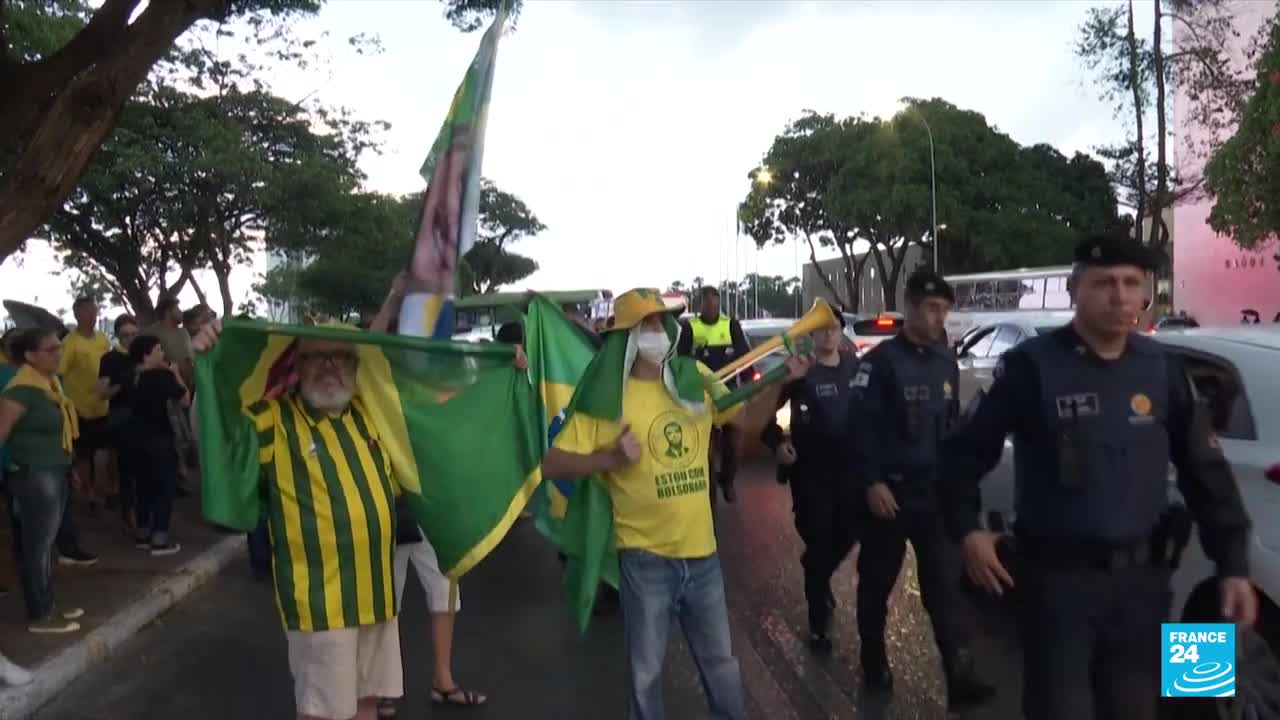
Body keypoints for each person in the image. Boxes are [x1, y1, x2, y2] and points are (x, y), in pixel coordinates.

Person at [940, 236, 1257, 720]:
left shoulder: (1163, 367)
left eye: (1133, 283)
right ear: (1074, 289)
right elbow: (962, 454)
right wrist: (967, 528)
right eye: (1105, 283)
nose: (1121, 296)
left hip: (1147, 585)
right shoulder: (1031, 366)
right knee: (1060, 709)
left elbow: (1205, 472)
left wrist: (1233, 565)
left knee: (1144, 707)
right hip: (1057, 586)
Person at [543, 288, 808, 720]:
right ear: (624, 337)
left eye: (660, 323)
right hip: (645, 562)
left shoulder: (694, 376)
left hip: (702, 558)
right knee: (645, 675)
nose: (657, 332)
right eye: (646, 325)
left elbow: (746, 422)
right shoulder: (606, 397)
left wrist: (780, 380)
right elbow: (552, 464)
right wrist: (609, 457)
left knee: (722, 668)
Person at [195, 320, 404, 720]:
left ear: (356, 365)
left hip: (377, 593)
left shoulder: (372, 416)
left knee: (368, 701)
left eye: (340, 356)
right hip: (321, 603)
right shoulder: (275, 419)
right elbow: (225, 432)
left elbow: (443, 403)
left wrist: (509, 370)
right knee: (323, 711)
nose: (329, 366)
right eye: (315, 357)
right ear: (297, 364)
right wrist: (210, 365)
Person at [849, 271, 995, 711]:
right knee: (876, 586)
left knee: (945, 589)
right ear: (911, 306)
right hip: (889, 499)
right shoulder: (878, 364)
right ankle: (874, 661)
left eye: (944, 310)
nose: (939, 318)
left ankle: (960, 673)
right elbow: (859, 430)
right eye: (932, 308)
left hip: (933, 497)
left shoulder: (944, 362)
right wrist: (871, 481)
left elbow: (949, 428)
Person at [367, 275, 488, 716]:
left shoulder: (444, 374)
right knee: (384, 604)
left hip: (432, 508)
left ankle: (443, 680)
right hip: (387, 507)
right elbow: (365, 349)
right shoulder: (379, 374)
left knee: (444, 595)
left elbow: (481, 400)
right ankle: (382, 689)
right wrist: (393, 296)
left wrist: (514, 361)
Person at [760, 313, 860, 650]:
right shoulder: (799, 373)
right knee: (819, 542)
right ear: (812, 335)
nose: (828, 335)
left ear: (841, 333)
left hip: (849, 472)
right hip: (810, 473)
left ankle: (817, 571)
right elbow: (764, 418)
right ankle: (819, 625)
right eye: (821, 329)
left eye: (833, 329)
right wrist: (778, 444)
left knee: (847, 534)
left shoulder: (855, 368)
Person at [0, 328, 87, 633]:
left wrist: (69, 465)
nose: (58, 353)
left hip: (55, 468)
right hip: (34, 473)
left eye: (59, 347)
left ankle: (46, 605)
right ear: (30, 356)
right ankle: (41, 614)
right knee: (36, 545)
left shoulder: (49, 385)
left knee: (44, 544)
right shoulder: (19, 391)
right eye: (51, 350)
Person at [676, 286, 751, 503]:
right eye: (707, 303)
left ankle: (727, 480)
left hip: (730, 394)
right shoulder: (689, 327)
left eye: (715, 303)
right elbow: (680, 361)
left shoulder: (731, 325)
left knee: (735, 444)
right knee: (705, 453)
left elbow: (745, 357)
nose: (711, 307)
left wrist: (749, 384)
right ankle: (708, 499)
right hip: (701, 395)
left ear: (719, 304)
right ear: (700, 305)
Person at [129, 335, 189, 555]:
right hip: (161, 439)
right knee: (164, 488)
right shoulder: (162, 377)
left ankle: (143, 534)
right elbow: (185, 400)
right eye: (158, 349)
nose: (162, 353)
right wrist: (175, 373)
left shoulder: (132, 377)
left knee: (143, 488)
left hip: (136, 440)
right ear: (146, 355)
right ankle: (160, 539)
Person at [61, 296, 114, 517]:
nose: (92, 316)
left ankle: (109, 489)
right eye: (87, 312)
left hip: (102, 406)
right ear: (77, 315)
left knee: (107, 450)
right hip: (79, 409)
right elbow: (59, 373)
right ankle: (89, 494)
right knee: (84, 454)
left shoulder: (102, 339)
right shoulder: (70, 343)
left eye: (94, 312)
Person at [99, 314, 140, 529]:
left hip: (146, 418)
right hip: (121, 418)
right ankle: (129, 510)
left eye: (134, 334)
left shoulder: (145, 354)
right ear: (117, 336)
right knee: (126, 469)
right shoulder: (110, 359)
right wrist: (123, 383)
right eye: (125, 335)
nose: (130, 339)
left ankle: (141, 510)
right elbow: (102, 393)